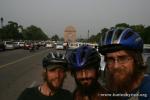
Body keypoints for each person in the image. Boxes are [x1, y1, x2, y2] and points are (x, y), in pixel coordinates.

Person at [98, 28, 150, 99]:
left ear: (137, 60)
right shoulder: (112, 91)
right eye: (110, 59)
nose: (116, 66)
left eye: (123, 58)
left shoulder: (147, 89)